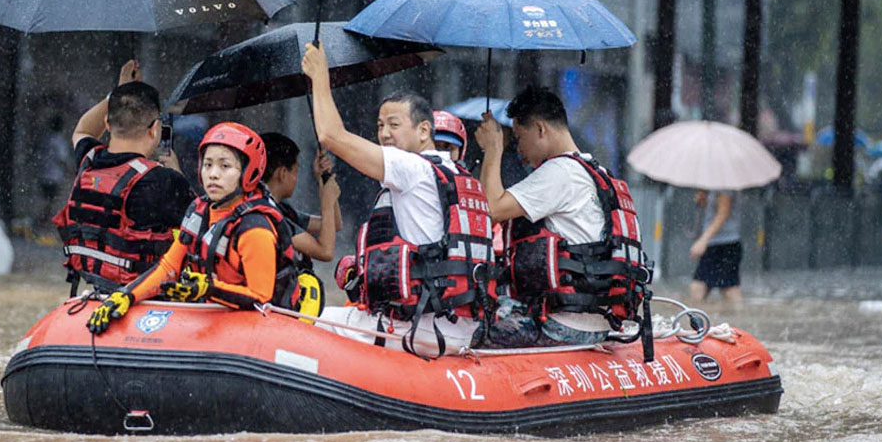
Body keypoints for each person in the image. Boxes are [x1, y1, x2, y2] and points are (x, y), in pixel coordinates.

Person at [301, 43, 494, 356]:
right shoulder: (457, 175)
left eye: (394, 124)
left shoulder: (412, 167)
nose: (384, 134)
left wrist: (320, 77)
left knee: (307, 318)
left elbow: (331, 136)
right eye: (380, 126)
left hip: (420, 328)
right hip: (459, 324)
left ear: (423, 130)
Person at [88, 122, 331, 334]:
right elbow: (170, 266)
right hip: (216, 311)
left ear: (248, 172)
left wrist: (208, 288)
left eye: (225, 167)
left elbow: (260, 297)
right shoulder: (199, 210)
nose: (213, 175)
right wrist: (126, 295)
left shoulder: (255, 227)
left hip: (263, 323)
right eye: (208, 165)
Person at [475, 85, 651, 351]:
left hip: (562, 325)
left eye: (520, 138)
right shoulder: (598, 171)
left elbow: (491, 209)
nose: (519, 150)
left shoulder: (560, 172)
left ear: (540, 129)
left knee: (470, 331)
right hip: (600, 321)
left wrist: (493, 149)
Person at [53, 60, 195, 296]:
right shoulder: (165, 181)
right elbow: (199, 227)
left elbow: (83, 130)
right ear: (155, 129)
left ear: (107, 123)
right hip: (143, 299)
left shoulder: (89, 162)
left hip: (94, 289)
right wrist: (177, 172)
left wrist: (117, 92)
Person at [261, 132, 343, 264]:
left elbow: (334, 224)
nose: (296, 179)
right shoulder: (269, 214)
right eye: (295, 171)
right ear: (282, 173)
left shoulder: (282, 209)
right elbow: (325, 251)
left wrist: (323, 180)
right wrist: (326, 203)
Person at [689, 190, 743, 304]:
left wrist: (703, 241)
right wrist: (705, 200)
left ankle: (741, 317)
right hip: (720, 243)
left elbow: (723, 214)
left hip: (724, 244)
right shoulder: (715, 186)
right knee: (727, 289)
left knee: (726, 289)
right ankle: (739, 317)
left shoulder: (723, 185)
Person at [37, 114, 74, 236]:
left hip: (44, 172)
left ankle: (43, 221)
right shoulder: (58, 141)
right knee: (50, 200)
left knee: (47, 199)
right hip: (54, 174)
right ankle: (44, 222)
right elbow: (61, 158)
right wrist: (70, 170)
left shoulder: (46, 138)